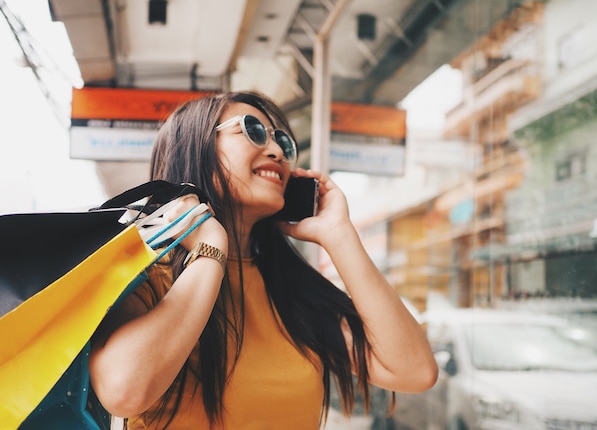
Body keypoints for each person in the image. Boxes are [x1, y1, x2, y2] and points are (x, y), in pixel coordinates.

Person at [89, 90, 438, 429]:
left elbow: (414, 370)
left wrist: (339, 234)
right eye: (253, 131)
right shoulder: (144, 273)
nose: (276, 151)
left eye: (283, 143)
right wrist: (210, 249)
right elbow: (123, 391)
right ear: (197, 148)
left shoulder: (293, 292)